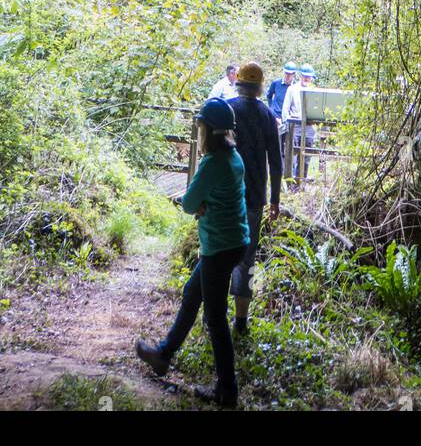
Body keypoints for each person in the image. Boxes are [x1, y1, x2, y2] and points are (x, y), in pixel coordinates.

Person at [136, 98, 249, 407]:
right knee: (191, 293)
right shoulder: (234, 157)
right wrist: (204, 202)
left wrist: (199, 203)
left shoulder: (213, 163)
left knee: (215, 319)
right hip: (234, 242)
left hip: (219, 246)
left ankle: (227, 389)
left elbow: (187, 203)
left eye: (200, 126)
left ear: (207, 131)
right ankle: (163, 355)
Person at [227, 63, 282, 334]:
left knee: (216, 254)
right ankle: (241, 322)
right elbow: (276, 161)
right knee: (246, 259)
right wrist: (275, 200)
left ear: (238, 82)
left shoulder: (227, 109)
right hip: (254, 198)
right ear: (261, 86)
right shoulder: (267, 115)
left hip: (225, 195)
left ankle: (211, 317)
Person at [281, 64, 317, 181]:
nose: (306, 79)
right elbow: (285, 109)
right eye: (304, 76)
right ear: (300, 76)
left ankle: (302, 179)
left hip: (309, 126)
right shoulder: (292, 89)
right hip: (295, 125)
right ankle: (290, 180)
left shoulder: (314, 90)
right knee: (292, 154)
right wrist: (287, 125)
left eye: (309, 77)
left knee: (306, 154)